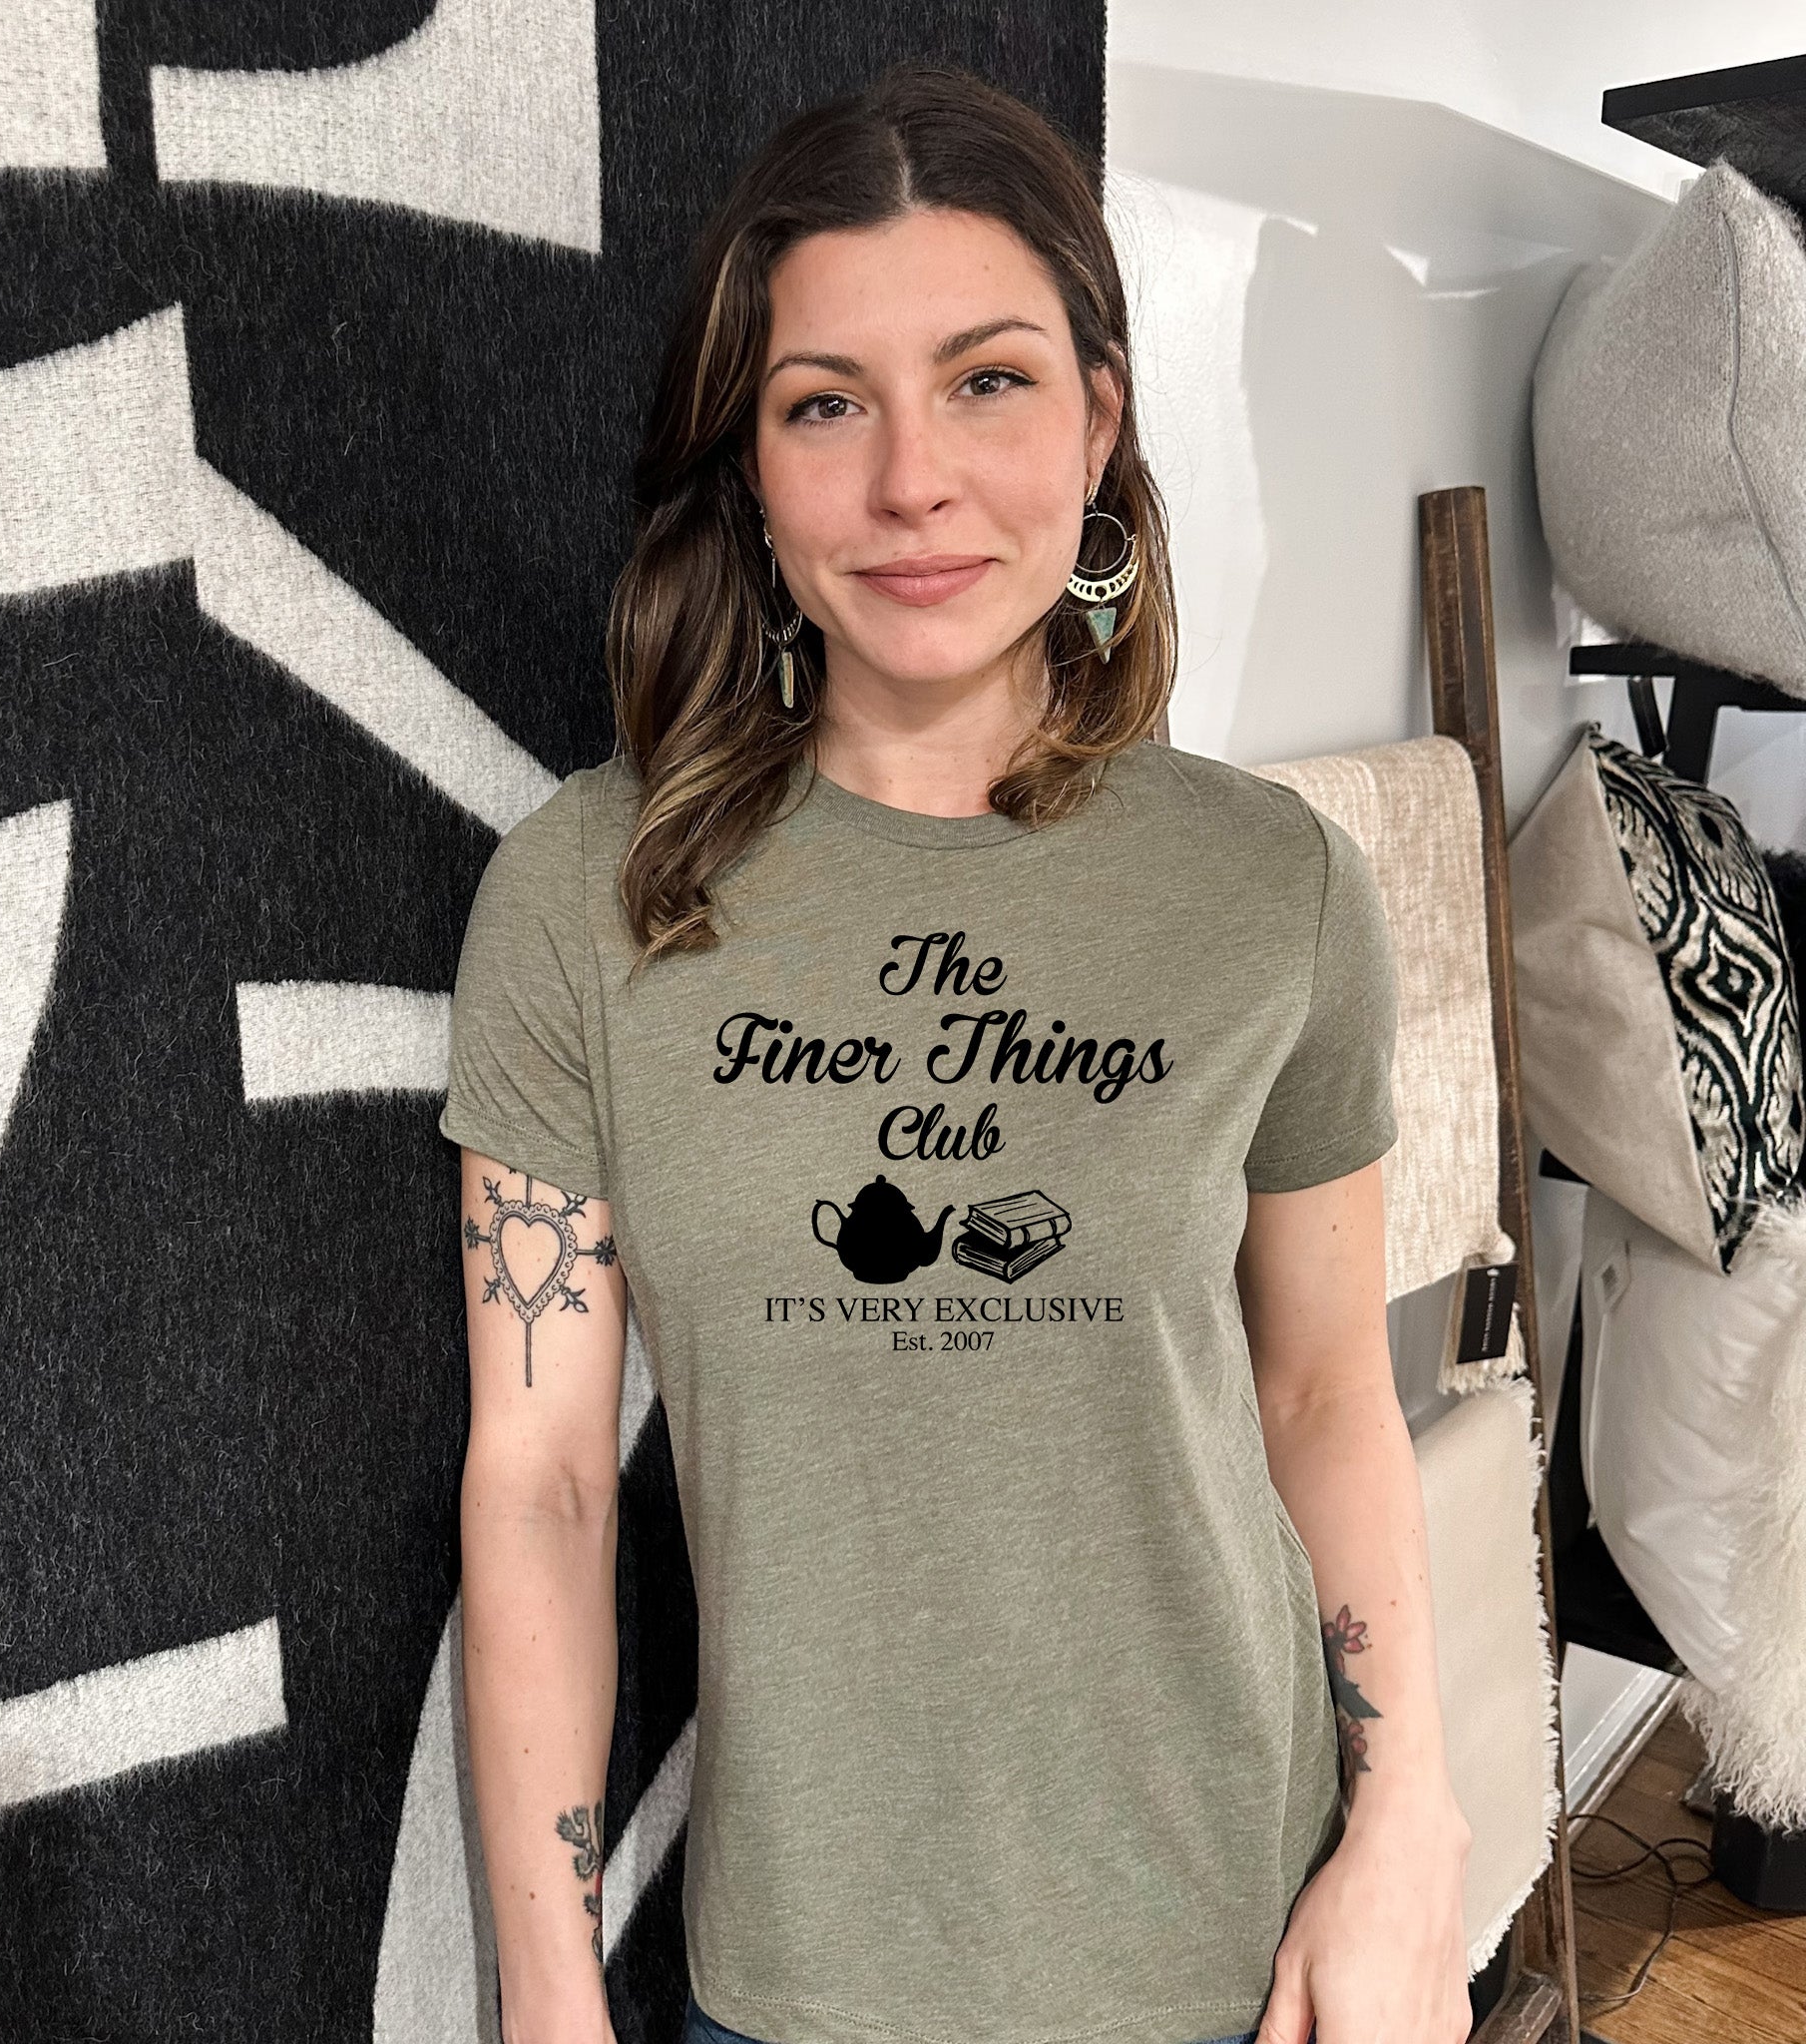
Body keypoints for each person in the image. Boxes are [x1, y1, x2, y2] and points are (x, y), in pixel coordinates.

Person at [443, 61, 1473, 2044]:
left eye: (989, 381)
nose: (912, 480)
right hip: (799, 1978)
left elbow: (1325, 1384)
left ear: (1098, 417)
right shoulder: (587, 893)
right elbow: (544, 1481)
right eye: (826, 403)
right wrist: (547, 1995)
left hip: (1238, 1956)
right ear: (749, 469)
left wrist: (1403, 1829)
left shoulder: (1271, 887)